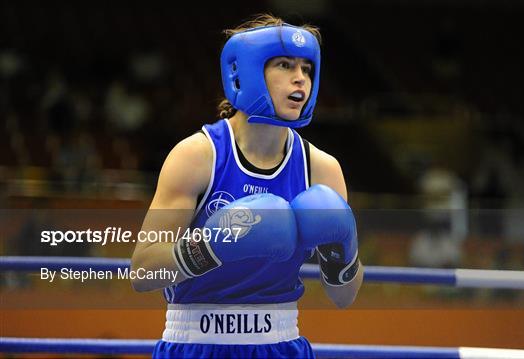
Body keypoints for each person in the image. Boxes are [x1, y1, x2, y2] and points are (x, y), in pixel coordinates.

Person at [130, 14, 363, 359]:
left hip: (281, 344)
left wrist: (343, 254)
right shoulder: (198, 156)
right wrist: (210, 248)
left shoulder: (322, 170)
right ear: (248, 71)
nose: (300, 79)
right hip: (196, 343)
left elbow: (344, 297)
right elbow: (143, 271)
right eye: (285, 65)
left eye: (307, 69)